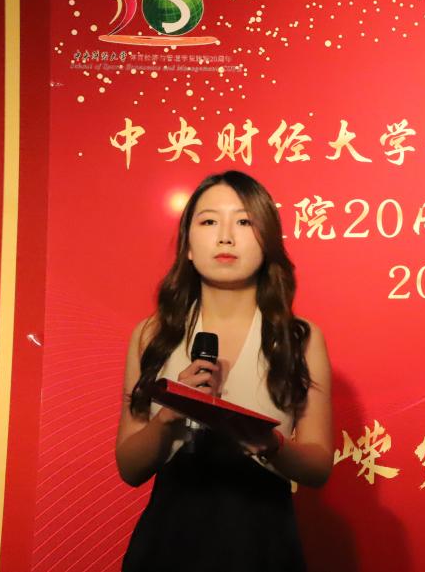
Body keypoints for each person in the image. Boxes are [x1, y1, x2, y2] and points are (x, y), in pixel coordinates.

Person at [116, 170, 333, 572]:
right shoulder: (154, 335)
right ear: (188, 246)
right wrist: (170, 415)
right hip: (169, 542)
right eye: (209, 221)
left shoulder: (297, 337)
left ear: (267, 239)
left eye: (244, 221)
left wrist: (271, 445)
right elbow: (129, 467)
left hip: (263, 541)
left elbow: (319, 467)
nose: (226, 237)